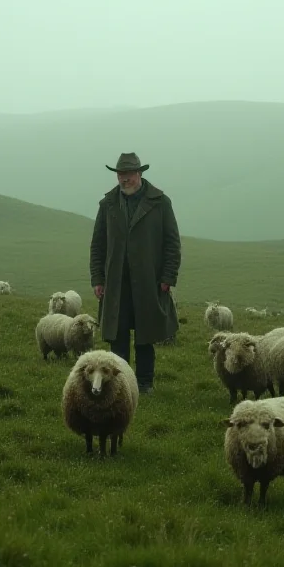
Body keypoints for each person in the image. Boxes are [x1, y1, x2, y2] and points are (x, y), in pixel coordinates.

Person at [89, 152, 182, 394]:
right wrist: (98, 279)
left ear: (139, 173)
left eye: (128, 174)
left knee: (145, 335)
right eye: (120, 175)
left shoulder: (160, 202)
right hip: (116, 283)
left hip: (149, 282)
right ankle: (119, 383)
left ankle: (144, 384)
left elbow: (172, 243)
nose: (124, 179)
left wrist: (168, 277)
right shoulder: (108, 204)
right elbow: (98, 245)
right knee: (117, 337)